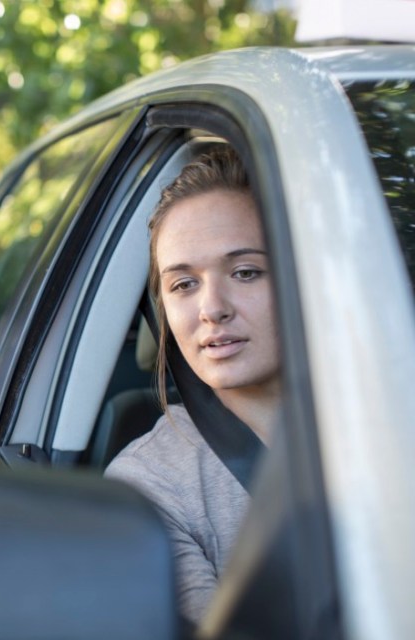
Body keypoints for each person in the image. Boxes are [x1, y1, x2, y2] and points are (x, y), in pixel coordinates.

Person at [105, 147, 281, 625]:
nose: (212, 308)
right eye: (183, 284)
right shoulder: (149, 486)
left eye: (245, 272)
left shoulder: (390, 411)